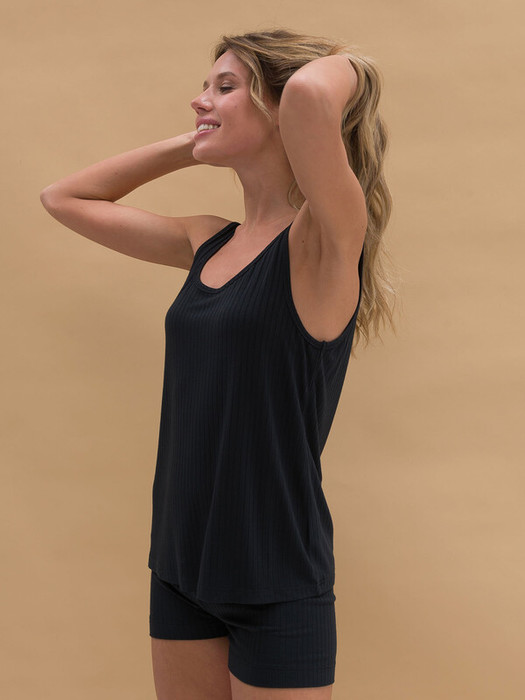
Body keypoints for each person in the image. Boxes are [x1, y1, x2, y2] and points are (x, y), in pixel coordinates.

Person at [40, 27, 395, 700]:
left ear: (281, 109)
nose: (199, 99)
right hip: (181, 566)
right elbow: (64, 199)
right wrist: (203, 137)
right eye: (205, 87)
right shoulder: (206, 240)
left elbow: (313, 92)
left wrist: (348, 64)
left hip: (276, 579)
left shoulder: (323, 243)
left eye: (225, 86)